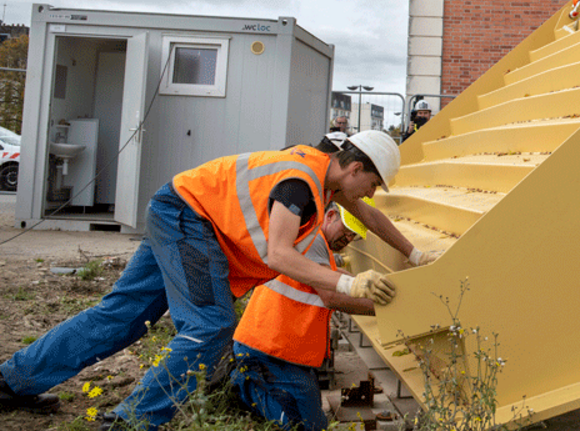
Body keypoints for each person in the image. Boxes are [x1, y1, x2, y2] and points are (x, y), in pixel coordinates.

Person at [0, 131, 431, 430]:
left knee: (122, 316)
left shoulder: (321, 175)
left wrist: (414, 254)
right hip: (190, 218)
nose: (371, 194)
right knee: (210, 326)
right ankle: (133, 422)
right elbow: (277, 254)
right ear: (354, 168)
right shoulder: (300, 183)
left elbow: (369, 216)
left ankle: (11, 382)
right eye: (372, 183)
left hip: (182, 208)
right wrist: (350, 285)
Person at [230, 203, 381, 431]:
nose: (348, 238)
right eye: (347, 230)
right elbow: (331, 297)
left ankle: (249, 389)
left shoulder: (318, 244)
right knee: (306, 426)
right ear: (330, 216)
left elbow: (330, 274)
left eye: (354, 236)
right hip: (269, 352)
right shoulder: (313, 240)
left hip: (282, 352)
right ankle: (244, 386)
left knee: (309, 420)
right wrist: (381, 308)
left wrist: (362, 284)